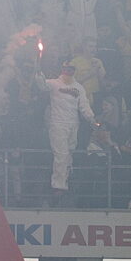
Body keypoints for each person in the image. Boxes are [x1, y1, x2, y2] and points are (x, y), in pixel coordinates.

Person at [38, 61, 97, 199]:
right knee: (61, 154)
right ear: (62, 69)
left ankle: (67, 179)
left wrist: (92, 118)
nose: (68, 71)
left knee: (69, 153)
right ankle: (59, 186)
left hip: (73, 124)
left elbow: (84, 105)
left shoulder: (79, 88)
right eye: (66, 68)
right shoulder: (53, 83)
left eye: (71, 69)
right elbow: (41, 85)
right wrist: (38, 72)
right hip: (58, 123)